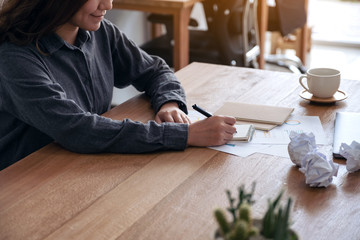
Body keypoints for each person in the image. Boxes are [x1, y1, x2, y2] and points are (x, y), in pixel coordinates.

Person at [0, 0, 236, 171]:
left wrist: (169, 103)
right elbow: (79, 130)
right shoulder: (14, 58)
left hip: (81, 164)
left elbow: (155, 70)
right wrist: (185, 134)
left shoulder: (101, 32)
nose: (108, 5)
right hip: (24, 180)